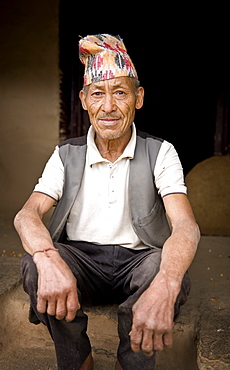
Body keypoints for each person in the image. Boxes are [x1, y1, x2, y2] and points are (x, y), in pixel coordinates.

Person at [14, 34, 200, 370]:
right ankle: (78, 359)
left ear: (138, 98)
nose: (109, 107)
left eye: (120, 93)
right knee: (33, 266)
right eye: (98, 94)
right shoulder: (66, 154)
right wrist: (47, 257)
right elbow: (28, 215)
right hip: (81, 261)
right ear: (84, 100)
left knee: (165, 266)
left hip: (138, 262)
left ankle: (130, 364)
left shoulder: (160, 152)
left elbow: (185, 225)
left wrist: (169, 281)